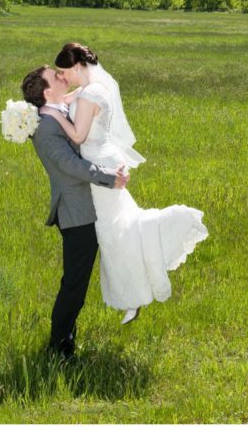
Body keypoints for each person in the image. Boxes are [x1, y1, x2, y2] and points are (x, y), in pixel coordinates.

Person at [52, 42, 209, 325]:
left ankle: (141, 284)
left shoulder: (90, 94)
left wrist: (53, 117)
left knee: (116, 232)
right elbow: (66, 100)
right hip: (103, 161)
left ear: (77, 66)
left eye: (64, 72)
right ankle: (135, 295)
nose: (62, 77)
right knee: (118, 229)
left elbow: (78, 136)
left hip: (99, 165)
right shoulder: (91, 88)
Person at [21, 65, 129, 361]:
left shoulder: (57, 109)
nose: (60, 75)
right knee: (74, 285)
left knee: (78, 281)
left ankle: (66, 338)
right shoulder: (45, 127)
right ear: (46, 92)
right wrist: (109, 176)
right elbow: (70, 166)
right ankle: (59, 348)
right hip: (76, 214)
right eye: (54, 77)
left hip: (87, 208)